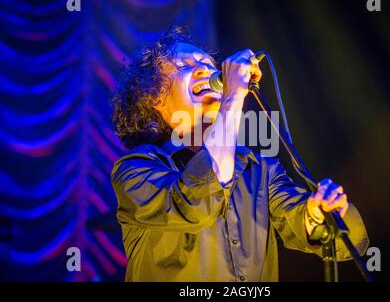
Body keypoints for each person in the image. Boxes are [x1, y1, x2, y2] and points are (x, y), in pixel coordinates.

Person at [111, 26, 369, 282]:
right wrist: (233, 97)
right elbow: (193, 206)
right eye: (186, 65)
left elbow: (343, 240)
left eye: (209, 64)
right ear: (153, 97)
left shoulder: (258, 168)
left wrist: (316, 215)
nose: (206, 69)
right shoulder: (136, 170)